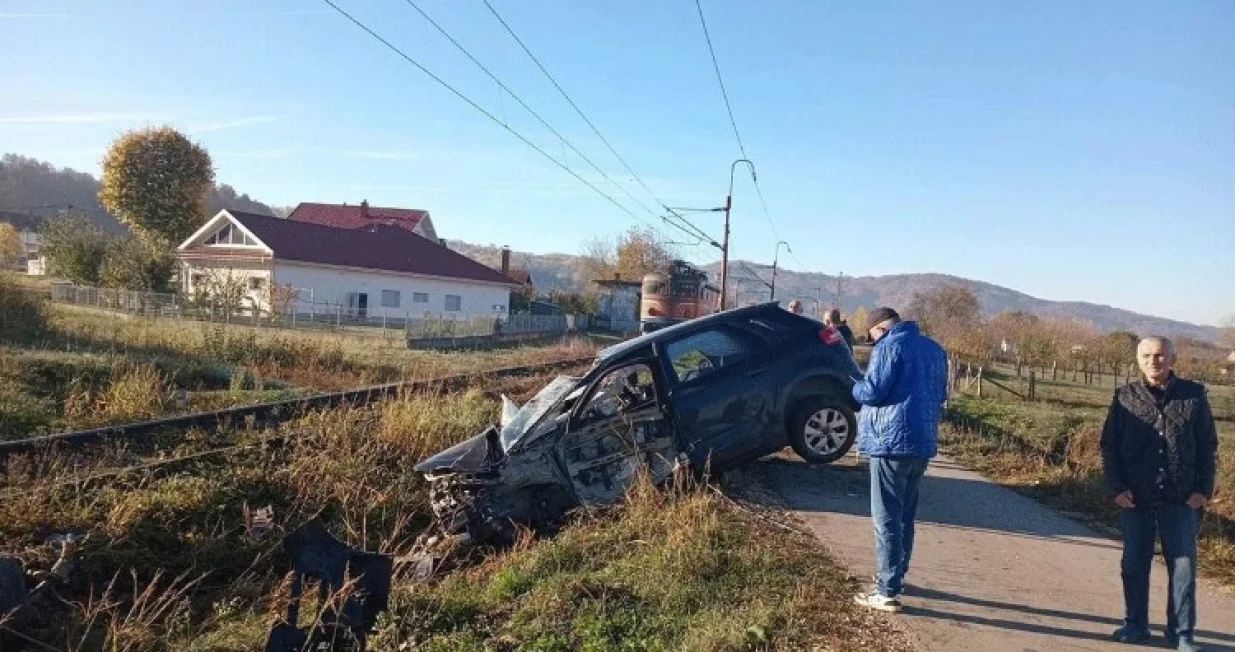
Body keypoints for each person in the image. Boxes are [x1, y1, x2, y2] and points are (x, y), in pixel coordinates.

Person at [1101, 336, 1218, 652]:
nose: (1154, 361)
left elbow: (1207, 446)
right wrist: (1116, 487)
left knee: (1183, 568)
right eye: (1147, 355)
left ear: (1172, 358)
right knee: (1134, 564)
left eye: (1160, 355)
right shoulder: (1124, 397)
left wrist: (1202, 490)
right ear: (1138, 360)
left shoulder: (1193, 395)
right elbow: (1110, 446)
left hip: (1181, 496)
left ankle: (1181, 633)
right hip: (1135, 497)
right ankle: (1135, 625)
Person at [851, 307, 948, 613]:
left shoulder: (887, 347)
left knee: (886, 517)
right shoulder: (935, 350)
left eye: (873, 336)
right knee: (905, 513)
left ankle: (886, 591)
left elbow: (872, 392)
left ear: (879, 329)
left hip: (890, 442)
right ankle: (897, 574)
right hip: (922, 440)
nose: (874, 341)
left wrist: (854, 385)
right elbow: (941, 394)